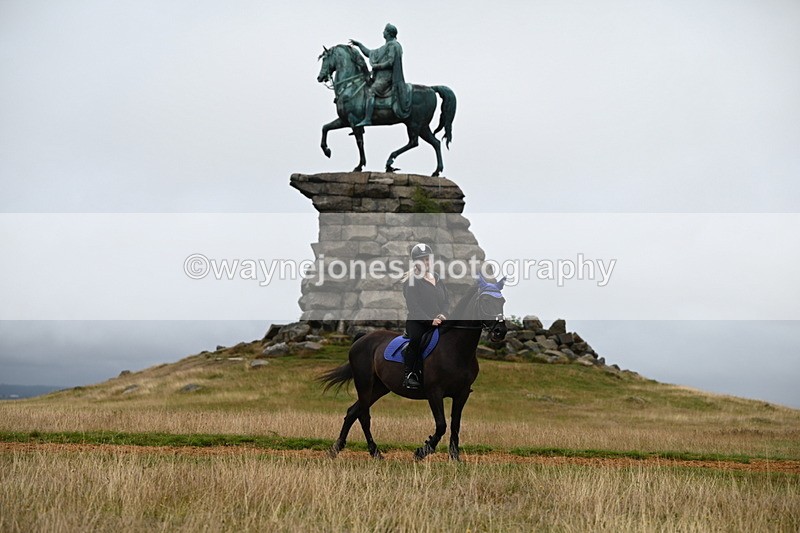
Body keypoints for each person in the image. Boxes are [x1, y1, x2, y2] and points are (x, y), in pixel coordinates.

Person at [401, 243, 449, 390]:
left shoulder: (438, 279)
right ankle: (410, 375)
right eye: (422, 259)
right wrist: (430, 321)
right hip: (418, 323)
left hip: (439, 321)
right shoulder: (412, 282)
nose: (426, 262)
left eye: (427, 259)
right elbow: (414, 308)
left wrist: (443, 314)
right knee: (416, 340)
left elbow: (446, 301)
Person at [349, 23, 412, 127]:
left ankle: (368, 119)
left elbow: (390, 62)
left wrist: (377, 66)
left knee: (371, 91)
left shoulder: (394, 45)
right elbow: (369, 53)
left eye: (384, 31)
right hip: (379, 77)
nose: (383, 32)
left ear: (388, 33)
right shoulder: (385, 47)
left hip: (386, 78)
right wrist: (359, 45)